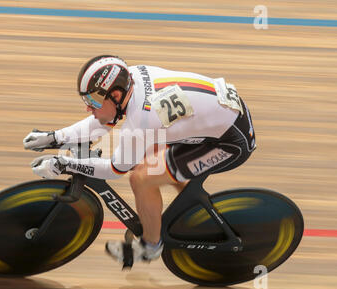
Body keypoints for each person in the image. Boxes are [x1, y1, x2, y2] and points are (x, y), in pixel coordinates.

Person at [23, 55, 256, 266]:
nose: (88, 108)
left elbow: (115, 169)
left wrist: (64, 164)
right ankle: (189, 210)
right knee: (151, 155)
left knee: (142, 178)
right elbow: (103, 121)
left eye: (93, 101)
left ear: (115, 95)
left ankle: (150, 247)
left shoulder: (143, 118)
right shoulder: (130, 77)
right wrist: (55, 138)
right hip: (219, 117)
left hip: (231, 142)